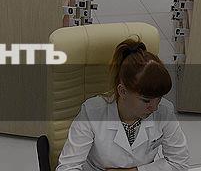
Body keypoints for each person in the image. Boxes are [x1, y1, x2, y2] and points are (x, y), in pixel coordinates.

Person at [57, 38, 190, 171]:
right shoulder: (92, 112)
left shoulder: (164, 111)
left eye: (159, 98)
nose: (154, 108)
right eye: (146, 100)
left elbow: (179, 163)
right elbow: (68, 167)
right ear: (123, 91)